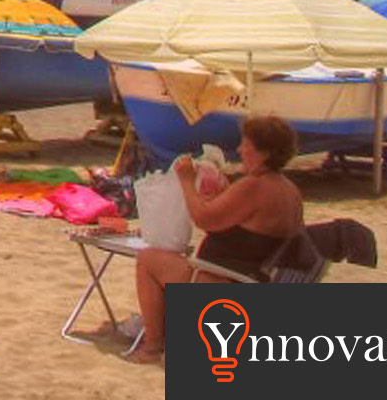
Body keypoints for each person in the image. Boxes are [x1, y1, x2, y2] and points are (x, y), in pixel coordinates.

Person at [129, 116, 304, 363]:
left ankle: (152, 347)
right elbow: (242, 225)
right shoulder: (289, 190)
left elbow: (204, 219)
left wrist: (187, 181)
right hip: (253, 277)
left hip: (230, 284)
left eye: (246, 144)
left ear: (263, 152)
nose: (240, 149)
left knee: (148, 259)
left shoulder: (255, 186)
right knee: (171, 258)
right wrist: (223, 193)